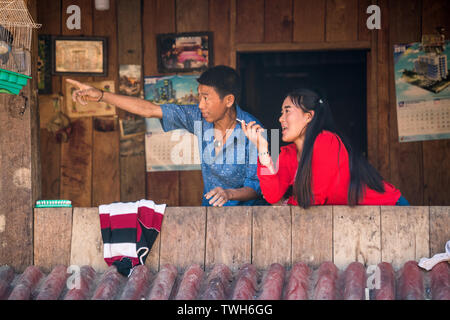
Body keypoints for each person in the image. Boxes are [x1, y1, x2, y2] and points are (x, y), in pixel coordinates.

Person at [68, 65, 264, 207]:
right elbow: (149, 110)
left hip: (246, 219)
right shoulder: (198, 118)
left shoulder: (256, 131)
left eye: (206, 98)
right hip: (210, 215)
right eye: (199, 97)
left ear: (229, 100)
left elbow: (257, 186)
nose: (200, 105)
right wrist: (101, 95)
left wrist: (228, 194)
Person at [241, 88, 409, 208]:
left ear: (308, 116)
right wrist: (262, 149)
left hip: (389, 208)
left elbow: (316, 196)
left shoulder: (327, 141)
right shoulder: (287, 154)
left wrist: (286, 203)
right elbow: (272, 196)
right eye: (281, 112)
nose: (280, 118)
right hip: (357, 218)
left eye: (287, 111)